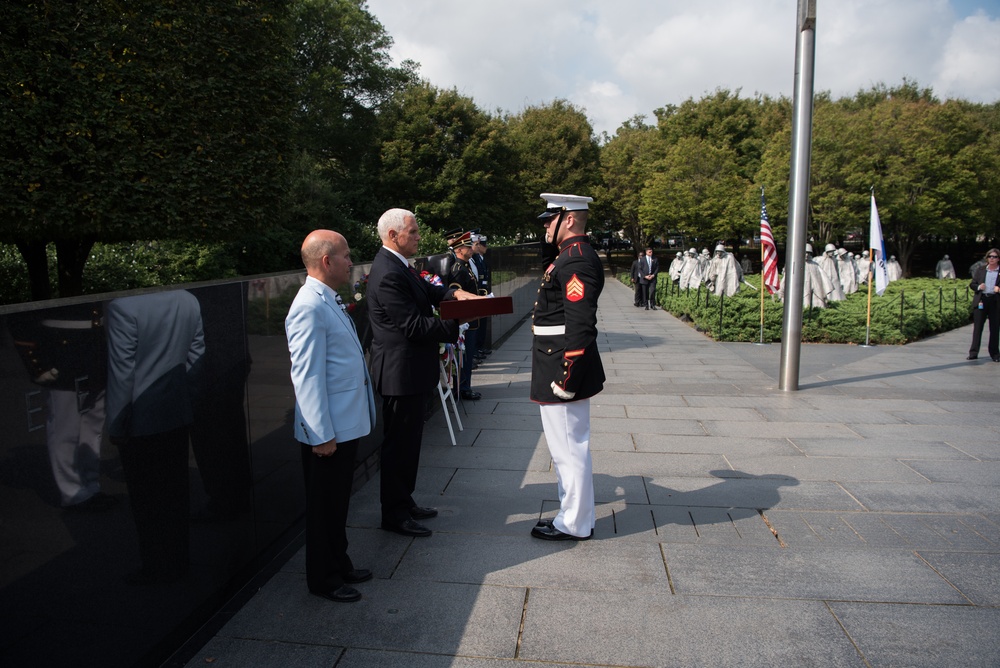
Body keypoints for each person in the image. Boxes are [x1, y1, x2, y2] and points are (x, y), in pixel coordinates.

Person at [367, 208, 479, 537]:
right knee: (399, 446)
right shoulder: (387, 271)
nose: (418, 236)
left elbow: (429, 291)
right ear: (393, 236)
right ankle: (395, 514)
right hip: (399, 374)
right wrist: (458, 319)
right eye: (413, 232)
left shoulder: (400, 265)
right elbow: (413, 325)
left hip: (411, 370)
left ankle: (405, 500)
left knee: (410, 442)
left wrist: (454, 294)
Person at [285, 230, 377, 603]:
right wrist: (320, 434)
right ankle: (323, 577)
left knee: (338, 502)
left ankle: (339, 561)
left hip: (344, 423)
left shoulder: (326, 299)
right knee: (325, 507)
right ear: (327, 261)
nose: (351, 262)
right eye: (346, 255)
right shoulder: (308, 305)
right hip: (328, 432)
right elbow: (306, 377)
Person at [105, 290, 204, 585]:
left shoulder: (122, 307)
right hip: (176, 411)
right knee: (176, 493)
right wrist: (189, 400)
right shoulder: (188, 299)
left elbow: (122, 373)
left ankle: (157, 568)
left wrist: (117, 424)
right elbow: (197, 356)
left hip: (142, 419)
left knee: (148, 501)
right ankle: (178, 562)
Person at [530, 193, 605, 541]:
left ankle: (573, 523)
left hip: (560, 364)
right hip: (554, 357)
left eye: (551, 219)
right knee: (567, 446)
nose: (545, 225)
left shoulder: (575, 259)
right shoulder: (568, 255)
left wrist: (567, 375)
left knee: (569, 447)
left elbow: (580, 323)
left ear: (569, 219)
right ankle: (575, 516)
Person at [446, 230, 482, 400]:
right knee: (464, 356)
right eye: (467, 246)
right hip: (466, 322)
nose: (470, 249)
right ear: (458, 250)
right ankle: (462, 387)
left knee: (468, 355)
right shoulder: (458, 269)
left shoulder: (466, 267)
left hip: (472, 319)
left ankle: (465, 385)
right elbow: (457, 295)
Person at [967, 248, 1000, 362]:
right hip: (981, 300)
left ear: (998, 259)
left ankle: (995, 354)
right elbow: (972, 284)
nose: (992, 258)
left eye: (994, 257)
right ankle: (973, 352)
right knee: (977, 328)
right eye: (990, 256)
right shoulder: (981, 270)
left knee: (995, 329)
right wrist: (978, 287)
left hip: (995, 301)